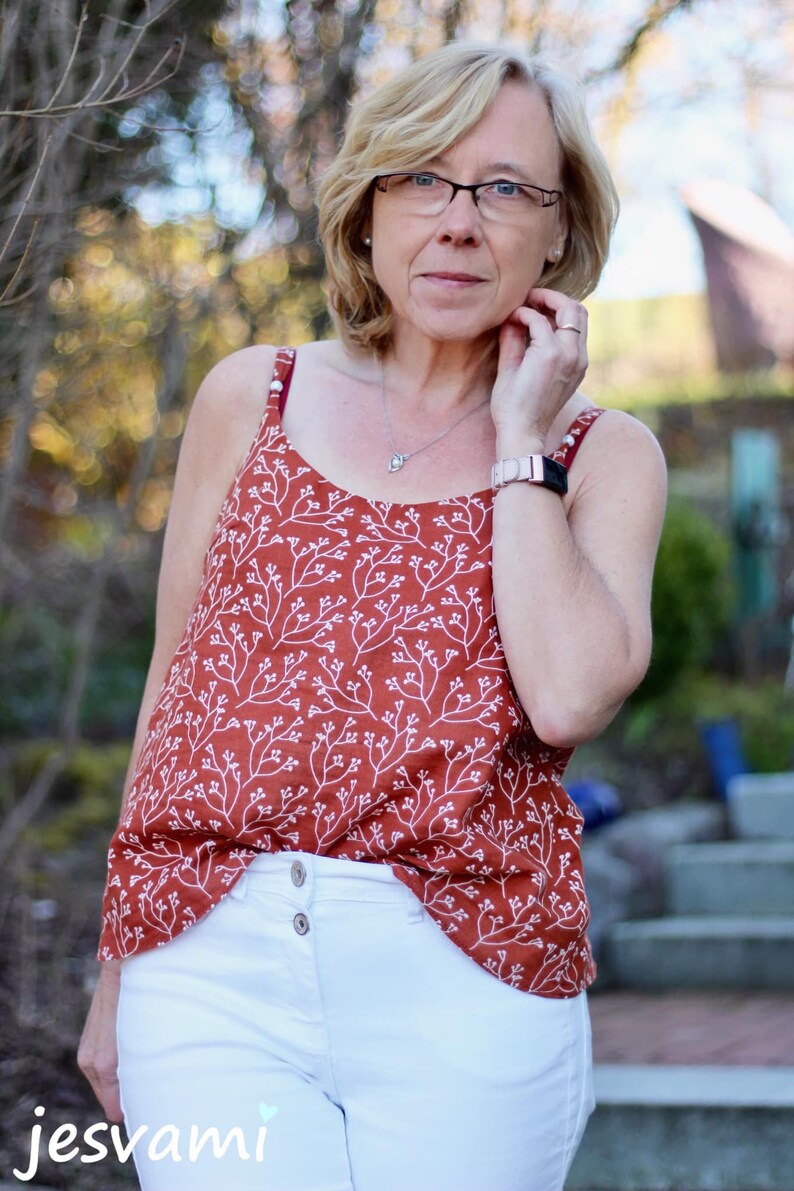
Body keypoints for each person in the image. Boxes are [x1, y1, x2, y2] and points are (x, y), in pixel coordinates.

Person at [78, 39, 667, 1191]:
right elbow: (172, 692)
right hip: (205, 966)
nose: (458, 220)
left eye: (504, 188)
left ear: (556, 230)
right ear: (366, 210)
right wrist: (118, 969)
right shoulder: (249, 394)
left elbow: (566, 695)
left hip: (465, 977)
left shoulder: (605, 456)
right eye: (422, 178)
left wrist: (518, 446)